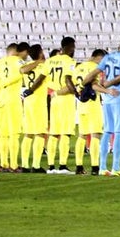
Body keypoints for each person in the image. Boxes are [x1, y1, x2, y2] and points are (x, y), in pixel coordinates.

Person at [85, 35, 120, 176]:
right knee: (119, 131)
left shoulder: (107, 57)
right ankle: (116, 167)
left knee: (107, 131)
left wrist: (83, 82)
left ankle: (103, 167)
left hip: (107, 98)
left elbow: (94, 72)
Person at [0, 42, 27, 172]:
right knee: (14, 134)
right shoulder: (18, 61)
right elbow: (24, 70)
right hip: (12, 99)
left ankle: (2, 164)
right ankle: (14, 165)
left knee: (1, 134)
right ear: (16, 51)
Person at [44, 37, 79, 174]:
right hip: (65, 99)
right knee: (65, 133)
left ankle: (51, 166)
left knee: (54, 133)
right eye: (73, 47)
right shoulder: (70, 62)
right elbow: (68, 80)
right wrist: (75, 92)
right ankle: (63, 166)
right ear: (70, 47)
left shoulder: (50, 61)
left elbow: (43, 78)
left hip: (54, 99)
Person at [73, 49, 106, 175]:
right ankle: (95, 167)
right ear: (99, 58)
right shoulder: (95, 68)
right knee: (95, 136)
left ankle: (79, 166)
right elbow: (93, 85)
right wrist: (106, 91)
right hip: (92, 105)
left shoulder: (78, 67)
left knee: (82, 135)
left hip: (81, 104)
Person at [19, 44, 50, 173]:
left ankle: (25, 165)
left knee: (28, 134)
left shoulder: (27, 66)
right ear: (40, 52)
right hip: (38, 102)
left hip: (28, 103)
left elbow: (22, 70)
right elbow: (41, 80)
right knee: (40, 133)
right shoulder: (44, 66)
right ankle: (36, 165)